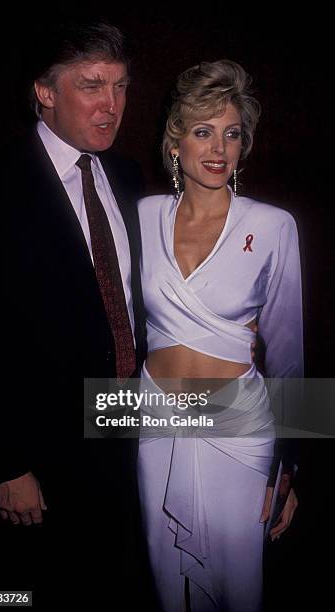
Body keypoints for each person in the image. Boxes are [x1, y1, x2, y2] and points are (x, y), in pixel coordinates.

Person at [0, 20, 148, 608]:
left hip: (126, 429)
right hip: (40, 454)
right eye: (93, 86)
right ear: (45, 92)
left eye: (120, 87)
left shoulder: (128, 177)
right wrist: (5, 461)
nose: (112, 105)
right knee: (22, 594)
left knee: (116, 582)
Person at [136, 60, 303, 611]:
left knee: (238, 588)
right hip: (153, 418)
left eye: (231, 133)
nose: (218, 147)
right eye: (202, 130)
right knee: (165, 583)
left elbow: (288, 352)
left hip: (238, 426)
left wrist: (291, 469)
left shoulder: (274, 225)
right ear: (175, 142)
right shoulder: (141, 216)